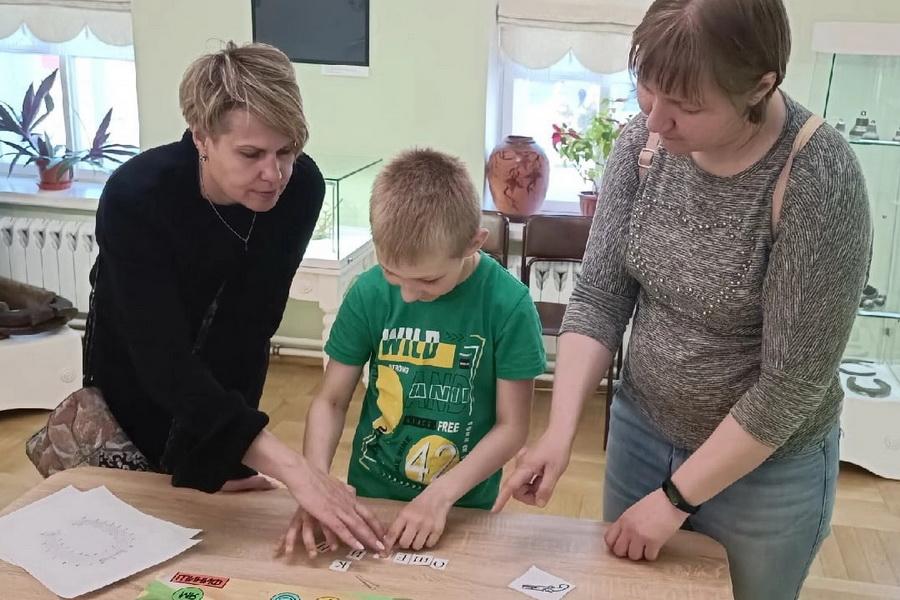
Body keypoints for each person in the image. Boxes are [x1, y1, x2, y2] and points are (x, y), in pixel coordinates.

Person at [495, 1, 872, 598]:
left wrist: (675, 499)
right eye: (647, 90)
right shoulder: (642, 145)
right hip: (642, 435)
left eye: (687, 106)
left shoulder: (816, 177)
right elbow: (599, 298)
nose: (656, 120)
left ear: (759, 87)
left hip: (765, 471)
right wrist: (559, 431)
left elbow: (789, 387)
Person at [88, 41, 383, 552]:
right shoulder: (137, 197)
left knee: (210, 530)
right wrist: (297, 470)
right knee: (128, 532)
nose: (274, 174)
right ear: (202, 136)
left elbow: (250, 327)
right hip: (132, 378)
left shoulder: (300, 188)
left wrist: (219, 456)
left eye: (286, 151)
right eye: (251, 154)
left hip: (215, 388)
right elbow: (160, 360)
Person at [278, 149, 546, 557]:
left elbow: (512, 427)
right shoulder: (368, 293)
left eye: (428, 280)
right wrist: (316, 485)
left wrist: (441, 496)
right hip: (370, 497)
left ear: (474, 243)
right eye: (391, 272)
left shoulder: (508, 306)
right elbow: (331, 401)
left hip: (460, 506)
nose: (407, 294)